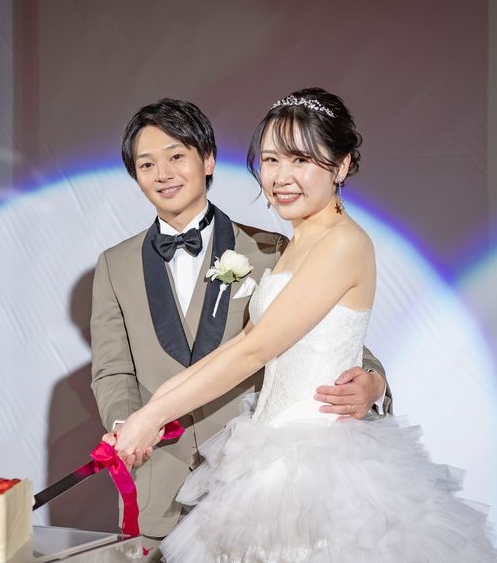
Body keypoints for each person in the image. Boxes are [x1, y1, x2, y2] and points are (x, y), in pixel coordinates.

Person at [111, 89, 496, 561]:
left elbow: (255, 350)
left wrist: (151, 418)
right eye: (271, 159)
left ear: (341, 165)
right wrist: (145, 415)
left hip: (316, 464)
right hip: (268, 450)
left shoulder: (343, 243)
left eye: (300, 159)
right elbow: (248, 339)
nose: (281, 177)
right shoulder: (297, 241)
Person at [91, 97, 390, 558]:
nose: (163, 173)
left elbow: (279, 345)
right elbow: (112, 369)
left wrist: (373, 381)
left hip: (282, 472)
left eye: (176, 156)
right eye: (147, 163)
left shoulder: (272, 247)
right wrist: (134, 424)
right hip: (170, 478)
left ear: (208, 160)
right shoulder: (115, 265)